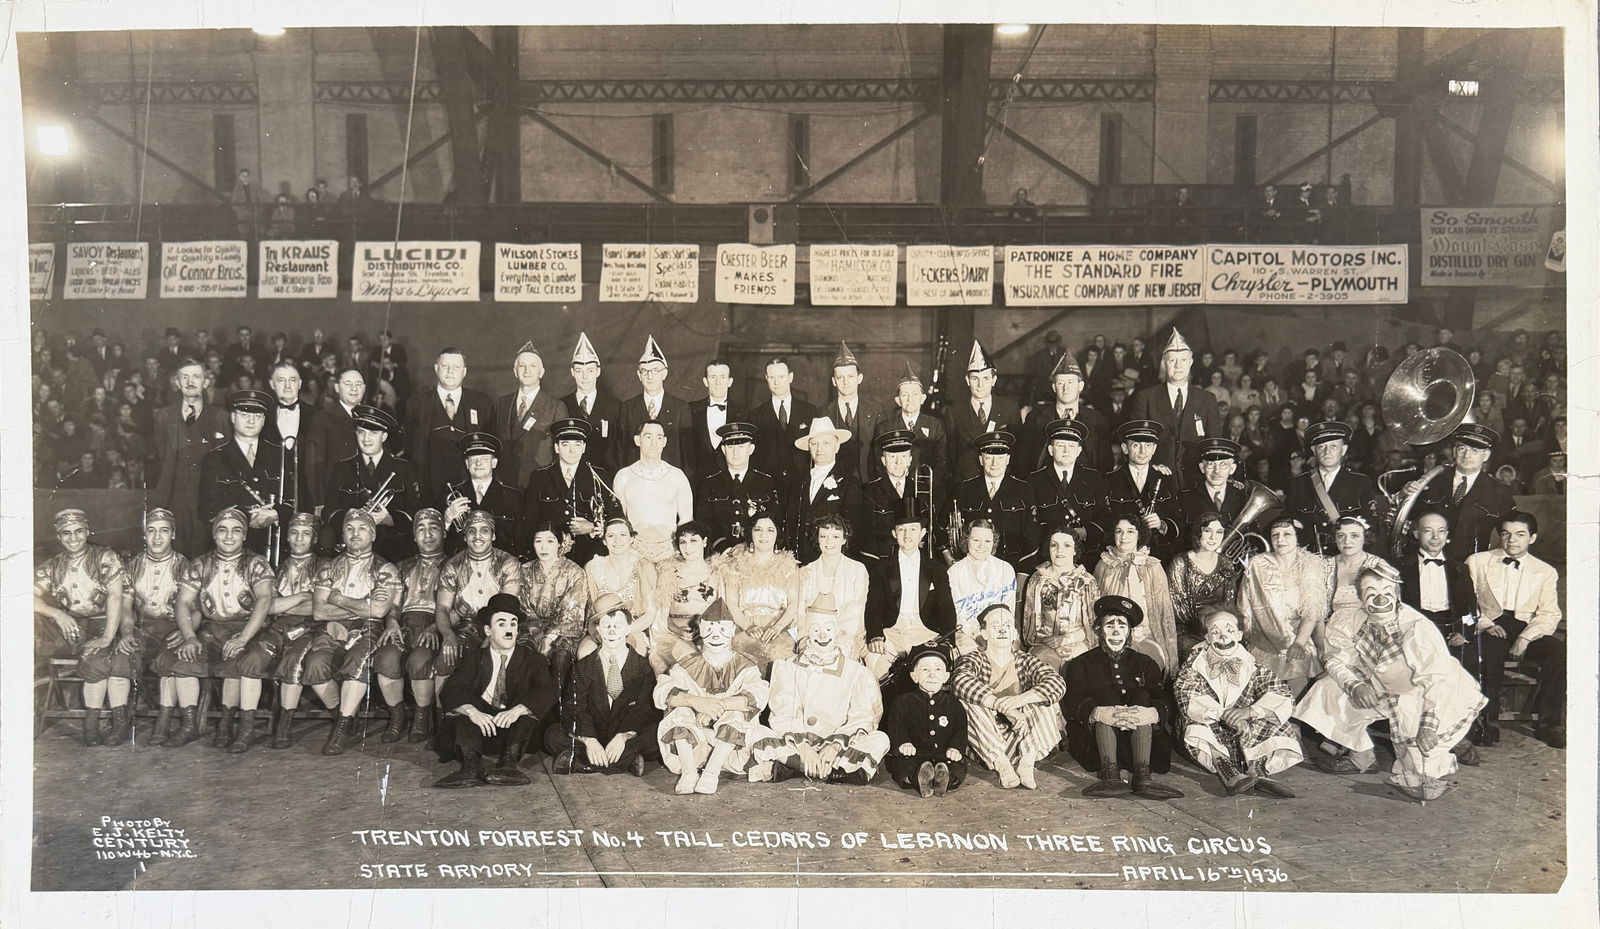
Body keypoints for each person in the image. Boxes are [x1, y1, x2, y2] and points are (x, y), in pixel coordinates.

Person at [1294, 565, 1486, 801]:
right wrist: (1355, 685)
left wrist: (1428, 725)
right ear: (1360, 597)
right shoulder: (1351, 620)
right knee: (1327, 688)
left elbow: (1437, 679)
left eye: (1386, 591)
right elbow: (1335, 660)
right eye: (1371, 592)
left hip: (1429, 694)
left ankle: (1454, 742)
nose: (1380, 598)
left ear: (1397, 594)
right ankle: (1361, 756)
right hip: (1383, 687)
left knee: (1419, 770)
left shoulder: (1416, 626)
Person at [155, 508, 276, 748]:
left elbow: (264, 600)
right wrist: (189, 637)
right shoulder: (200, 564)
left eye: (236, 531)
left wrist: (243, 638)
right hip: (213, 629)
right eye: (222, 530)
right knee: (184, 657)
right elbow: (183, 602)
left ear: (244, 535)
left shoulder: (256, 563)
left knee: (246, 661)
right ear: (214, 534)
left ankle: (243, 728)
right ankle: (190, 726)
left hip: (249, 628)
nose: (229, 536)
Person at [748, 595, 890, 785]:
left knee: (880, 739)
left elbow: (862, 716)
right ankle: (829, 770)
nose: (822, 636)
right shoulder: (789, 667)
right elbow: (783, 712)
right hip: (799, 742)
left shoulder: (857, 672)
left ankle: (798, 767)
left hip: (837, 744)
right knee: (756, 732)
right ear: (808, 633)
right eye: (816, 630)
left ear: (836, 631)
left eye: (828, 629)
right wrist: (804, 747)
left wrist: (835, 745)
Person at [296, 510, 404, 755]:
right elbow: (319, 612)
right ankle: (344, 714)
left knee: (357, 661)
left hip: (369, 628)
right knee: (315, 663)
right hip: (334, 627)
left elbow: (379, 611)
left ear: (373, 535)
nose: (355, 533)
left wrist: (338, 598)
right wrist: (363, 604)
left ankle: (341, 729)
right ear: (343, 535)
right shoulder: (329, 568)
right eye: (350, 528)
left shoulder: (385, 568)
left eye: (362, 528)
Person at [432, 594, 557, 788]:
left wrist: (517, 710)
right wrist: (473, 712)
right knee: (464, 708)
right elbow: (452, 689)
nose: (509, 630)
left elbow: (547, 691)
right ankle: (470, 767)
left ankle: (508, 765)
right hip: (482, 731)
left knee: (527, 704)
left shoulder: (533, 659)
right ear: (488, 630)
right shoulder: (474, 658)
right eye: (502, 624)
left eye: (513, 624)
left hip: (515, 733)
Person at [1063, 595, 1182, 800]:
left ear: (1129, 632)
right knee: (1105, 695)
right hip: (1098, 744)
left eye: (1122, 626)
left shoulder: (1145, 663)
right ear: (1099, 630)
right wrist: (1098, 712)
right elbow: (1073, 700)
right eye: (1109, 625)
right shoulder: (1080, 664)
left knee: (1141, 694)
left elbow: (1163, 697)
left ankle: (1143, 774)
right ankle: (1110, 775)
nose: (1116, 631)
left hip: (1140, 742)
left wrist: (1152, 713)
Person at [1174, 607, 1301, 797]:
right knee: (1194, 719)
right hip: (1213, 734)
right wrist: (1224, 714)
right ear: (1207, 638)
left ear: (1239, 635)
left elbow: (1282, 693)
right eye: (1215, 632)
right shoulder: (1195, 665)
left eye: (1229, 630)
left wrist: (1250, 712)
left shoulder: (1252, 666)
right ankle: (1227, 771)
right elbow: (1185, 693)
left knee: (1273, 715)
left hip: (1243, 736)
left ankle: (1256, 768)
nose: (1223, 636)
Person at [1465, 511, 1565, 748]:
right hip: (1490, 625)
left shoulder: (1545, 571)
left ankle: (1549, 724)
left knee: (1558, 651)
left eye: (1520, 534)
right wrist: (1486, 624)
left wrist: (1525, 638)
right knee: (1490, 653)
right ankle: (1487, 722)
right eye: (1506, 534)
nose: (1512, 540)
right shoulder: (1477, 561)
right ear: (1499, 535)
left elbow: (1549, 614)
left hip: (1525, 626)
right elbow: (1466, 604)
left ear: (1532, 538)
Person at [653, 598, 770, 794]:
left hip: (732, 750)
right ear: (701, 630)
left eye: (722, 629)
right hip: (695, 745)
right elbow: (662, 694)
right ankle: (689, 772)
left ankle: (711, 773)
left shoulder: (746, 665)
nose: (716, 635)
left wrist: (716, 707)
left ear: (732, 631)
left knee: (736, 712)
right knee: (679, 709)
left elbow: (757, 696)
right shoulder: (686, 664)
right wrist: (695, 702)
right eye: (710, 629)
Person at [33, 509, 130, 746]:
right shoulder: (53, 565)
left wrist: (107, 636)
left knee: (103, 660)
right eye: (66, 533)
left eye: (78, 531)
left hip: (107, 621)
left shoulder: (105, 557)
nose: (73, 538)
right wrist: (57, 614)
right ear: (59, 536)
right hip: (74, 625)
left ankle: (110, 723)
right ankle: (91, 723)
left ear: (87, 532)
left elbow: (116, 597)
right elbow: (24, 595)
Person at [228, 512, 323, 751]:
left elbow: (320, 607)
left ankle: (284, 726)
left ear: (314, 538)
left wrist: (284, 604)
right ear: (287, 537)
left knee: (294, 660)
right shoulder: (275, 569)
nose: (299, 539)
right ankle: (247, 729)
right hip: (278, 627)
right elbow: (266, 606)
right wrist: (301, 596)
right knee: (253, 657)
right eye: (294, 533)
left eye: (306, 534)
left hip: (312, 628)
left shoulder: (325, 568)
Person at [953, 604, 1066, 790]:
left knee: (1043, 698)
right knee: (967, 702)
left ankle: (1026, 764)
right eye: (995, 625)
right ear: (984, 633)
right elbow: (960, 680)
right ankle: (1002, 766)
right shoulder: (974, 658)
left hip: (1023, 737)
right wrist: (1003, 707)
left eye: (1007, 625)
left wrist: (1019, 701)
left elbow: (1056, 683)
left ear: (1014, 633)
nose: (1002, 630)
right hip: (986, 743)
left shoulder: (1024, 660)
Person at [551, 595, 659, 776]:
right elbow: (575, 706)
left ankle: (581, 764)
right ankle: (626, 761)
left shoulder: (643, 667)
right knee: (553, 735)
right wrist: (589, 740)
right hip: (595, 731)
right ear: (598, 630)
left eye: (618, 626)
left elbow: (644, 709)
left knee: (655, 735)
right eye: (606, 626)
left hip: (625, 736)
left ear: (628, 628)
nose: (612, 632)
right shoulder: (584, 666)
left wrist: (623, 736)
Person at [373, 508, 449, 744]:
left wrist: (436, 627)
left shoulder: (453, 565)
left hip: (433, 624)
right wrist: (392, 622)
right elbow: (394, 604)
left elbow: (454, 606)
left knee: (420, 661)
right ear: (414, 536)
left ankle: (421, 717)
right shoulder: (402, 566)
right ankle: (397, 717)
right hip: (404, 624)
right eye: (421, 530)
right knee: (386, 658)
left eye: (434, 528)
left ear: (444, 533)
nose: (428, 535)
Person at [432, 509, 525, 694]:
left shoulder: (508, 563)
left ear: (493, 535)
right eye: (471, 531)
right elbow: (442, 607)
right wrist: (448, 636)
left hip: (501, 626)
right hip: (466, 626)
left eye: (484, 530)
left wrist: (490, 640)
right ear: (465, 536)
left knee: (487, 662)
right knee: (445, 659)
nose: (477, 536)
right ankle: (443, 711)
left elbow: (506, 610)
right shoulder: (453, 565)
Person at [120, 508, 193, 743]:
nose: (157, 537)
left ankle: (163, 720)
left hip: (174, 626)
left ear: (173, 534)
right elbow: (125, 607)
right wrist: (127, 632)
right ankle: (120, 721)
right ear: (145, 535)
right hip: (144, 627)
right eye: (151, 531)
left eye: (164, 531)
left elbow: (196, 608)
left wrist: (186, 632)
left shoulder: (185, 565)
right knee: (124, 656)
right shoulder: (132, 566)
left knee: (171, 660)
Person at [1238, 517, 1333, 694]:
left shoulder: (1311, 565)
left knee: (1296, 667)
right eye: (1275, 535)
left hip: (1301, 636)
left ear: (1298, 538)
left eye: (1287, 534)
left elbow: (1313, 611)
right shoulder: (1256, 564)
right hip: (1264, 639)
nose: (1280, 540)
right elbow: (1245, 606)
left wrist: (1299, 642)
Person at [198, 389, 295, 560]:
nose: (251, 421)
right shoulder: (214, 458)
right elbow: (207, 509)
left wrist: (277, 514)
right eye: (244, 415)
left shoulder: (281, 455)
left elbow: (293, 500)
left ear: (264, 420)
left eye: (257, 416)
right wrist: (249, 516)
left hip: (273, 544)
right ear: (233, 417)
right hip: (230, 547)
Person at [864, 509, 957, 680]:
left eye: (913, 529)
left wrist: (947, 640)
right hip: (891, 633)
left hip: (925, 633)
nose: (907, 535)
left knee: (932, 673)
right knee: (874, 668)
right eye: (901, 529)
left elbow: (946, 608)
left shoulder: (937, 569)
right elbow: (873, 606)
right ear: (894, 533)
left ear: (923, 533)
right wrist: (875, 635)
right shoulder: (881, 568)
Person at [321, 404, 421, 564]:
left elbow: (415, 513)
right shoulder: (342, 468)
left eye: (373, 433)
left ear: (384, 436)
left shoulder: (404, 468)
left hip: (393, 552)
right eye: (361, 432)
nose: (366, 439)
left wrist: (390, 519)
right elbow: (328, 512)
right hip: (352, 552)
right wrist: (348, 518)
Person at [1403, 423, 1517, 562]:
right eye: (1462, 448)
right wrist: (1404, 495)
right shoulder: (1430, 481)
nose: (1466, 455)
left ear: (1486, 456)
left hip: (1472, 565)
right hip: (1427, 562)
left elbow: (1507, 535)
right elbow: (1409, 521)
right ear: (1454, 451)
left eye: (1475, 450)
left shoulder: (1500, 491)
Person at [151, 358, 230, 556]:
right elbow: (163, 457)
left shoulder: (220, 417)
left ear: (206, 382)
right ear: (177, 383)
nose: (190, 381)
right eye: (184, 377)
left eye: (196, 376)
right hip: (175, 500)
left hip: (208, 501)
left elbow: (226, 461)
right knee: (176, 555)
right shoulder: (164, 417)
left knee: (206, 555)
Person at [1126, 329, 1222, 480]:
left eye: (1183, 360)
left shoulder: (1207, 399)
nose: (1178, 366)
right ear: (1164, 363)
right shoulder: (1146, 397)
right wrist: (1150, 467)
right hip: (1157, 477)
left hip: (1196, 480)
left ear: (1190, 363)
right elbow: (1136, 441)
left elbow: (1214, 444)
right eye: (1172, 360)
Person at [521, 417, 616, 566]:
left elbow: (615, 516)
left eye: (577, 444)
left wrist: (593, 527)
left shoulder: (599, 476)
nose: (572, 450)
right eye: (565, 444)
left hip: (590, 556)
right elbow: (530, 520)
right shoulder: (540, 477)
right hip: (552, 558)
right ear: (556, 448)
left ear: (584, 447)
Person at [409, 348, 496, 511]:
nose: (450, 371)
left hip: (470, 490)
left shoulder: (482, 403)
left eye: (456, 367)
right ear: (436, 368)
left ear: (464, 371)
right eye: (445, 366)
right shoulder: (417, 403)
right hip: (429, 489)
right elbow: (409, 448)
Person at [1093, 516, 1179, 675]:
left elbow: (1165, 612)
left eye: (1130, 531)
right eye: (1119, 531)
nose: (1123, 537)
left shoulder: (1153, 566)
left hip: (1146, 636)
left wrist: (1169, 651)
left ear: (1139, 535)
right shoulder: (1104, 564)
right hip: (1112, 636)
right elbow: (1094, 607)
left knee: (1147, 670)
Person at [1284, 420, 1384, 556]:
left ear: (1343, 450)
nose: (1327, 452)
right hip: (1309, 558)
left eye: (1333, 446)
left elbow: (1371, 527)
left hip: (1346, 558)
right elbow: (1285, 524)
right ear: (1314, 451)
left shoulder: (1360, 483)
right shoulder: (1299, 484)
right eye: (1321, 447)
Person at [883, 645, 969, 796]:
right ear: (914, 676)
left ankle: (945, 779)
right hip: (914, 755)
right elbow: (897, 727)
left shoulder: (954, 704)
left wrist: (956, 748)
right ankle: (918, 778)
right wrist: (903, 743)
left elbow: (960, 731)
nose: (932, 675)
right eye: (925, 669)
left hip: (944, 755)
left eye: (938, 669)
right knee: (903, 767)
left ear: (946, 677)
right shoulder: (903, 702)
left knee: (957, 767)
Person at [718, 514, 802, 669]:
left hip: (779, 629)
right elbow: (732, 604)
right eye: (758, 530)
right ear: (751, 533)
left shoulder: (788, 565)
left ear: (777, 534)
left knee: (778, 656)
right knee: (743, 654)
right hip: (744, 627)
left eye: (770, 530)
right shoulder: (736, 564)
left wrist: (777, 628)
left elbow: (793, 603)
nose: (764, 535)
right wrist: (748, 627)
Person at [952, 430, 1039, 571]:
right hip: (971, 569)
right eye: (989, 458)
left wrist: (1022, 574)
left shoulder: (1023, 489)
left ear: (1008, 459)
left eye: (1000, 458)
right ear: (981, 460)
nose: (994, 463)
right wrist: (950, 560)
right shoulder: (965, 488)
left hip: (1010, 568)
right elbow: (947, 527)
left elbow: (1032, 537)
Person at [520, 521, 590, 697]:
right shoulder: (525, 570)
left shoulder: (575, 572)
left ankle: (556, 708)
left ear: (560, 543)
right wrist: (538, 635)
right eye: (538, 541)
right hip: (530, 630)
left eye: (550, 541)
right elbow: (522, 608)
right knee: (522, 656)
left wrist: (549, 638)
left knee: (561, 660)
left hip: (564, 632)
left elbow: (573, 612)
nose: (544, 547)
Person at [1019, 525, 1101, 673]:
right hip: (1044, 645)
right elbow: (1029, 624)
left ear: (1075, 550)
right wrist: (1051, 644)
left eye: (1066, 545)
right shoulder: (1037, 579)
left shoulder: (1086, 581)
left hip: (1078, 643)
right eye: (1054, 545)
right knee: (1046, 670)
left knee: (1078, 670)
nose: (1059, 550)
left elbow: (1094, 625)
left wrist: (1067, 640)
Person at [613, 420, 695, 564]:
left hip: (669, 555)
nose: (654, 443)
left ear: (664, 442)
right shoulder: (623, 476)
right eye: (648, 437)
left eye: (659, 437)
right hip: (633, 555)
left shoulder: (677, 476)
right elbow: (620, 521)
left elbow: (686, 521)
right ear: (637, 440)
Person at [694, 421, 783, 553]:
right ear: (723, 450)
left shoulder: (766, 482)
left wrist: (747, 544)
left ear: (751, 449)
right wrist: (723, 546)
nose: (735, 452)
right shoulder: (709, 484)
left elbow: (775, 520)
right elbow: (702, 523)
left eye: (741, 446)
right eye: (730, 447)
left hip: (756, 551)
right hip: (720, 553)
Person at [1166, 511, 1243, 660]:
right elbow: (1179, 612)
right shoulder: (1180, 563)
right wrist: (1209, 634)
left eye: (1219, 532)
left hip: (1219, 628)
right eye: (1208, 531)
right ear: (1198, 532)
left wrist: (1219, 630)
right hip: (1188, 633)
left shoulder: (1226, 563)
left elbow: (1229, 604)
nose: (1213, 537)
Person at [1027, 418, 1107, 560]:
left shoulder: (1093, 478)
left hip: (1085, 555)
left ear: (1079, 451)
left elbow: (1104, 515)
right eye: (1060, 445)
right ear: (1050, 450)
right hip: (1048, 555)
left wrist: (1086, 532)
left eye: (1071, 446)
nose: (1066, 450)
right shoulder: (1035, 480)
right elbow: (1030, 522)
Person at [494, 341, 570, 488]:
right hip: (506, 486)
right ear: (515, 371)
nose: (527, 370)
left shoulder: (555, 407)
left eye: (533, 366)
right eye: (522, 366)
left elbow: (562, 452)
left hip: (540, 485)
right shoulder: (501, 404)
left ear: (541, 372)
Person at [648, 522, 721, 673]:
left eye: (693, 540)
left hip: (708, 634)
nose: (688, 547)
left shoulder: (717, 572)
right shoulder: (669, 572)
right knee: (687, 659)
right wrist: (678, 631)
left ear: (705, 541)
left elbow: (722, 611)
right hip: (673, 635)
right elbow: (662, 616)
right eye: (683, 542)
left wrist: (705, 631)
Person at [784, 416, 861, 562]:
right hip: (800, 560)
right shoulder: (798, 482)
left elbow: (851, 530)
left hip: (831, 562)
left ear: (836, 447)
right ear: (809, 448)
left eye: (826, 443)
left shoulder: (849, 483)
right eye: (814, 443)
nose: (819, 449)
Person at [945, 340, 1020, 485]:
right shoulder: (954, 412)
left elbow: (1016, 449)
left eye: (986, 378)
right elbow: (951, 452)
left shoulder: (1009, 408)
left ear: (994, 380)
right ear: (967, 380)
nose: (980, 385)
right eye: (975, 379)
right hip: (965, 482)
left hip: (1001, 481)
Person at [580, 517, 657, 658]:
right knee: (585, 653)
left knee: (625, 655)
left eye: (623, 535)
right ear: (604, 541)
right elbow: (589, 613)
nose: (617, 540)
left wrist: (625, 630)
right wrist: (598, 631)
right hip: (601, 630)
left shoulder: (644, 567)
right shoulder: (592, 567)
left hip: (633, 629)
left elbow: (651, 613)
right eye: (611, 536)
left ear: (632, 539)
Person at [1104, 419, 1181, 560]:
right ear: (1125, 448)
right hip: (1121, 556)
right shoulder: (1110, 480)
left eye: (1148, 445)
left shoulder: (1165, 478)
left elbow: (1177, 521)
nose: (1143, 451)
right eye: (1136, 445)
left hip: (1157, 556)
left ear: (1154, 449)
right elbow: (1104, 521)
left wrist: (1162, 525)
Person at [1020, 354, 1110, 474]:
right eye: (1060, 383)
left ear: (1080, 386)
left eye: (1070, 382)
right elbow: (1022, 462)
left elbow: (1105, 464)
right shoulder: (1035, 418)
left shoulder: (1097, 419)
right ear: (1054, 387)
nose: (1065, 388)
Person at [858, 429, 937, 561]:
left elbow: (932, 528)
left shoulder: (922, 488)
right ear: (883, 460)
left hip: (917, 560)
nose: (898, 462)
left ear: (910, 460)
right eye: (892, 457)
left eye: (903, 456)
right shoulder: (869, 491)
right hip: (883, 562)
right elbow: (867, 539)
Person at [798, 515, 871, 659]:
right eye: (823, 536)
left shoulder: (857, 569)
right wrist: (806, 637)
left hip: (846, 636)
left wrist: (834, 638)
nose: (829, 542)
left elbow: (857, 610)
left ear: (844, 539)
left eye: (835, 537)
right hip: (813, 636)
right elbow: (800, 611)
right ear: (817, 539)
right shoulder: (807, 571)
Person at [616, 335, 691, 471]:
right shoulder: (627, 408)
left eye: (655, 371)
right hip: (637, 477)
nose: (649, 376)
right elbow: (621, 450)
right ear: (639, 375)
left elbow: (688, 453)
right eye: (644, 371)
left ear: (664, 374)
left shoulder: (680, 407)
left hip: (670, 478)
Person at [443, 432, 525, 556]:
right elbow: (439, 543)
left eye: (484, 459)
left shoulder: (513, 497)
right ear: (467, 464)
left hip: (500, 564)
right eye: (473, 459)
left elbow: (520, 541)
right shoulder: (451, 494)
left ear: (494, 463)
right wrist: (447, 519)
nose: (478, 463)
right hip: (460, 564)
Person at [747, 354, 817, 482]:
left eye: (781, 376)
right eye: (772, 377)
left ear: (790, 377)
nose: (776, 382)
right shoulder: (755, 416)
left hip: (801, 484)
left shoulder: (810, 411)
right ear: (766, 379)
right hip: (768, 486)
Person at [873, 364, 947, 487]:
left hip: (925, 488)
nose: (910, 399)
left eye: (915, 394)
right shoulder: (885, 428)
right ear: (898, 400)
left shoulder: (935, 426)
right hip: (895, 489)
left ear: (923, 399)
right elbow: (878, 464)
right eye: (904, 395)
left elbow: (942, 461)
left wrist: (929, 486)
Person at [561, 332, 622, 472]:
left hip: (606, 475)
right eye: (579, 371)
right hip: (571, 475)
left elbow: (619, 448)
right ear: (572, 372)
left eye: (590, 370)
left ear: (598, 371)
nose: (585, 377)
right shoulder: (562, 405)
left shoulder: (615, 406)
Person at [827, 342, 886, 479]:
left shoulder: (876, 411)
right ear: (834, 381)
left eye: (850, 376)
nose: (845, 382)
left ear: (859, 378)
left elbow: (882, 453)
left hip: (868, 484)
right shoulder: (823, 413)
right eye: (840, 377)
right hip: (835, 485)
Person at [686, 357, 741, 484]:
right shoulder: (690, 410)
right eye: (713, 377)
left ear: (730, 382)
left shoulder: (742, 413)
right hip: (697, 481)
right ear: (705, 381)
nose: (718, 382)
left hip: (729, 482)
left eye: (722, 377)